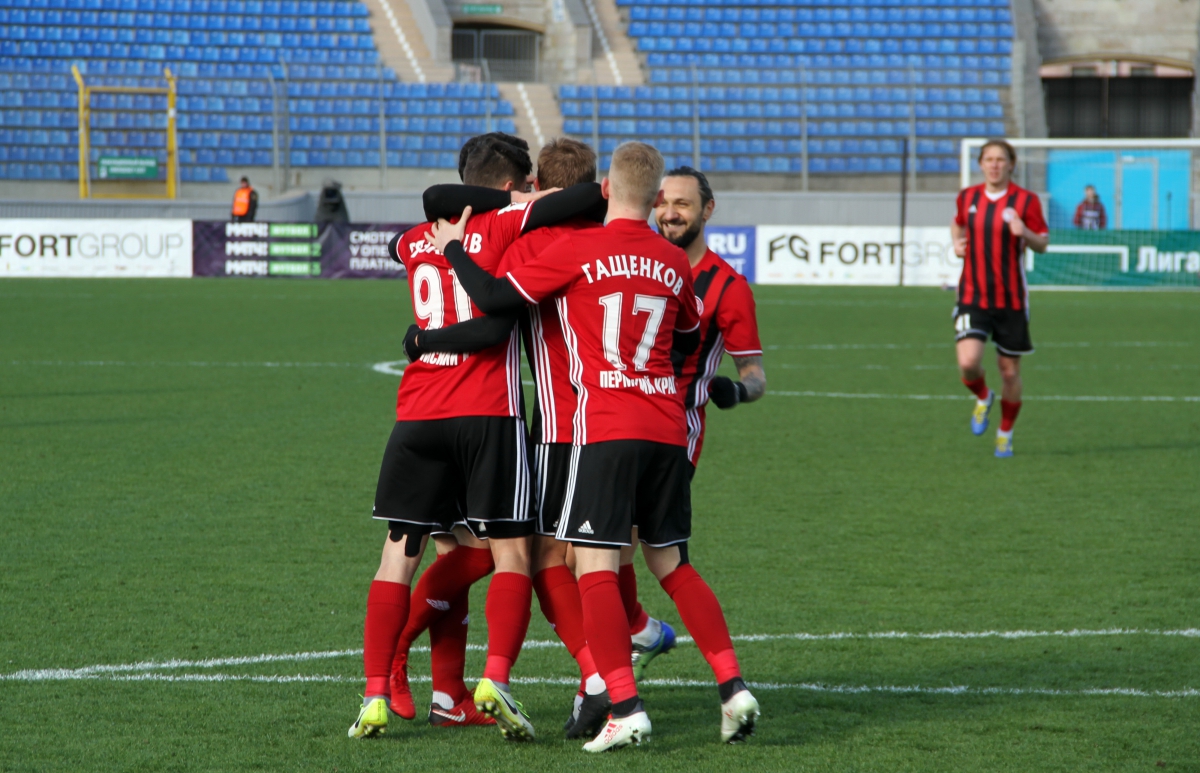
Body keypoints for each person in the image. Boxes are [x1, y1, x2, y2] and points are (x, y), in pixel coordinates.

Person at [430, 141, 761, 752]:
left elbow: (495, 301)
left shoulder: (575, 249)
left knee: (593, 567)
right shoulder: (674, 261)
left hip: (597, 427)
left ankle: (624, 705)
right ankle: (732, 686)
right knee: (673, 564)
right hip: (667, 427)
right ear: (656, 199)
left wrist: (452, 249)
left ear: (607, 188)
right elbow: (688, 338)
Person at [349, 134, 603, 742]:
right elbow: (590, 197)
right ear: (512, 187)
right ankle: (495, 678)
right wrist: (523, 203)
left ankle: (389, 692)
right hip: (488, 415)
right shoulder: (505, 224)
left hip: (417, 415)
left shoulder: (413, 240)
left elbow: (419, 217)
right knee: (511, 553)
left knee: (404, 555)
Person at [950, 139, 1050, 458]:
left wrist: (1025, 233)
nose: (994, 165)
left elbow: (1043, 243)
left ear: (1011, 164)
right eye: (989, 159)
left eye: (1000, 159)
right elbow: (957, 223)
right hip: (972, 295)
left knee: (1009, 372)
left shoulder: (1026, 200)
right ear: (980, 164)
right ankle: (983, 396)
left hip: (1011, 301)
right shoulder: (967, 197)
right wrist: (956, 243)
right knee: (968, 363)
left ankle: (1005, 433)